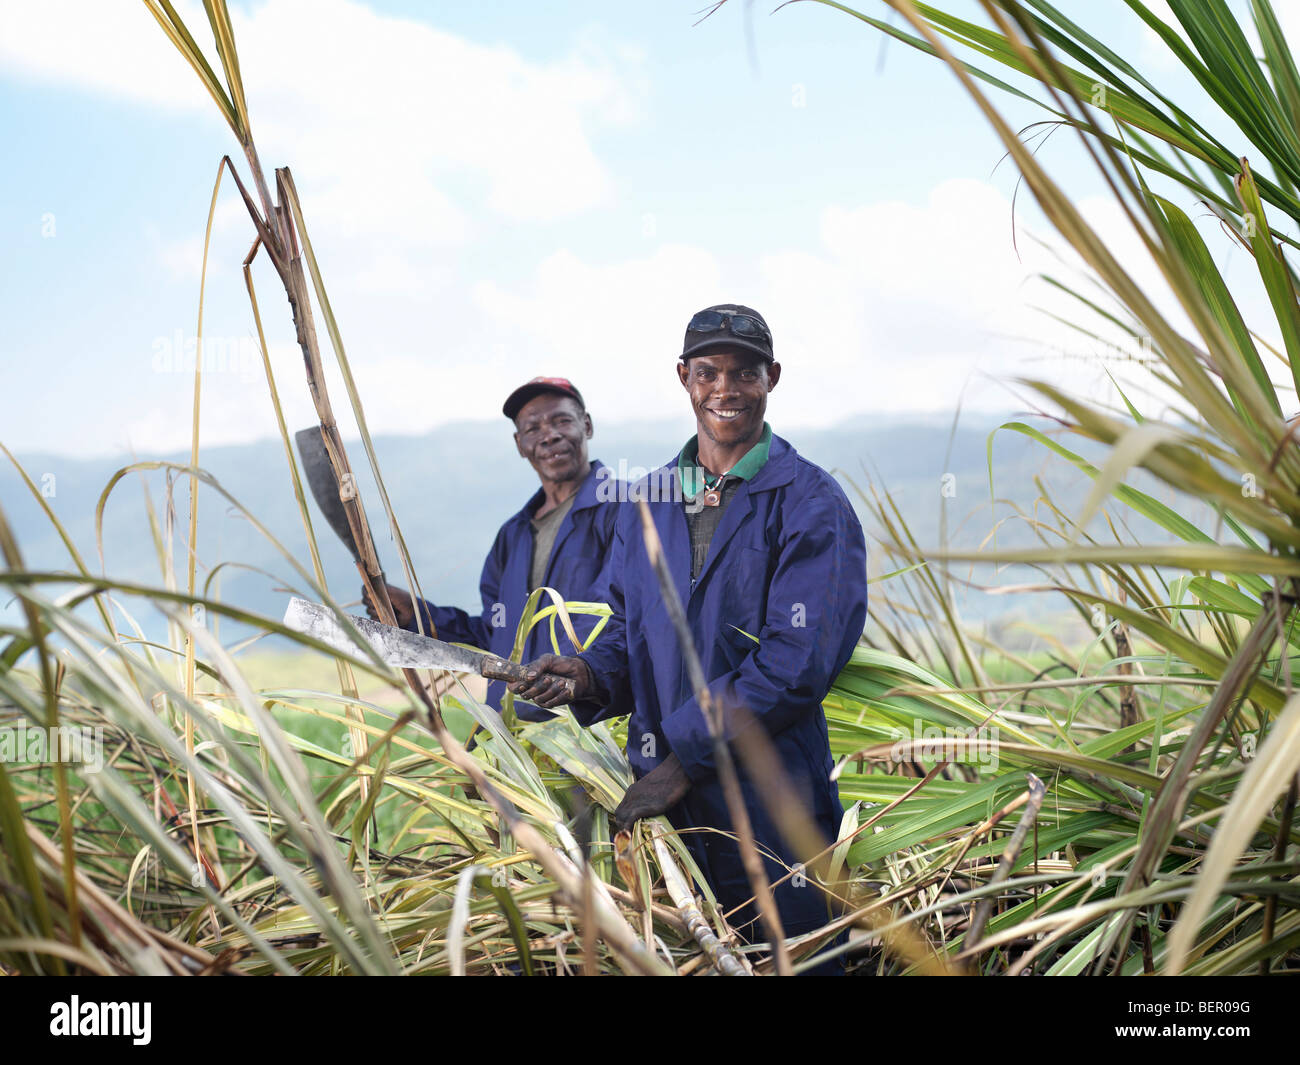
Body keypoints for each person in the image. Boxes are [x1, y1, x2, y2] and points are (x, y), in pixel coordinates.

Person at [509, 305, 868, 968]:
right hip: (666, 815)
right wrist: (588, 675)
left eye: (745, 372)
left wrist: (682, 762)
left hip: (772, 807)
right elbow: (629, 630)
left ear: (772, 378)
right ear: (684, 377)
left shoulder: (812, 503)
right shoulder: (647, 502)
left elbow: (797, 665)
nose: (725, 388)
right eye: (709, 371)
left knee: (800, 961)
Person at [364, 377, 619, 721]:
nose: (549, 435)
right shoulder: (513, 535)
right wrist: (419, 616)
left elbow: (631, 621)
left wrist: (588, 674)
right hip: (512, 737)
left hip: (592, 732)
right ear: (519, 443)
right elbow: (496, 634)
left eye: (562, 421)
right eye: (533, 428)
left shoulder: (626, 510)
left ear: (586, 426)